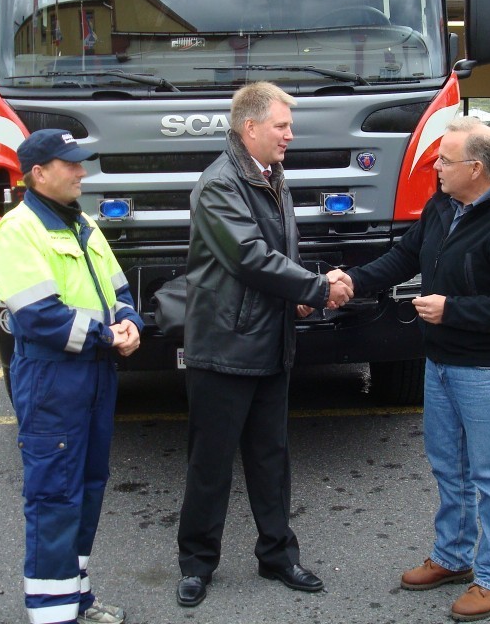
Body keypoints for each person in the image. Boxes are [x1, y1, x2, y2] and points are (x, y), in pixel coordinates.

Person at [346, 117, 490, 622]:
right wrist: (349, 282)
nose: (435, 165)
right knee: (448, 465)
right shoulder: (443, 205)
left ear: (475, 168)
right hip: (439, 362)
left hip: (486, 371)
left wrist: (452, 310)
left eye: (445, 160)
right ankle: (454, 557)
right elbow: (403, 257)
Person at [175, 82, 353, 608]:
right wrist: (317, 289)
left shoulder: (270, 175)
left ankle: (277, 555)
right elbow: (250, 257)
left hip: (270, 341)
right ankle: (196, 565)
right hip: (224, 347)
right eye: (282, 126)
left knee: (271, 460)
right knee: (210, 465)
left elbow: (279, 254)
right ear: (249, 127)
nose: (289, 135)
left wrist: (296, 299)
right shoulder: (219, 184)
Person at [0, 129, 144, 624]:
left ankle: (75, 599)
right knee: (54, 496)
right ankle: (52, 615)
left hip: (94, 374)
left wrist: (130, 323)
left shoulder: (84, 224)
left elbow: (119, 290)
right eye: (70, 163)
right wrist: (108, 335)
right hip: (52, 379)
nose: (81, 172)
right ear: (38, 173)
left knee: (88, 488)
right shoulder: (15, 231)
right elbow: (40, 317)